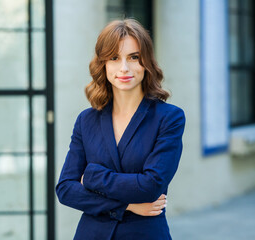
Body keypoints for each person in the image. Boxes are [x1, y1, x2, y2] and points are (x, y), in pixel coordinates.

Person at [56, 19, 186, 240]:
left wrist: (92, 177)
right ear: (103, 64)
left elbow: (150, 186)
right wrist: (127, 205)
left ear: (146, 63)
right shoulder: (86, 120)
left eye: (134, 57)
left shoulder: (169, 118)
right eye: (114, 58)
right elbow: (67, 189)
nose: (124, 68)